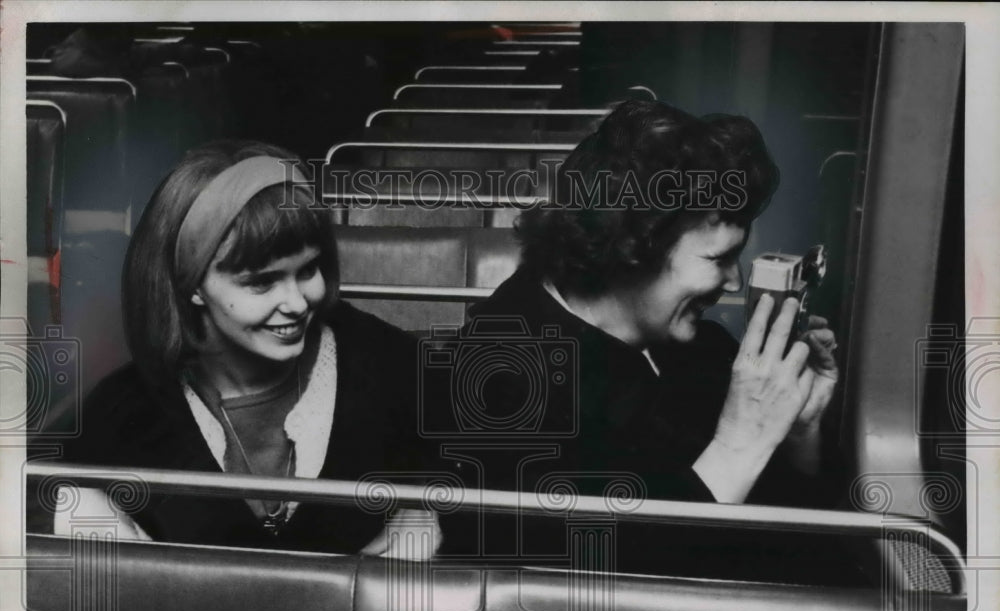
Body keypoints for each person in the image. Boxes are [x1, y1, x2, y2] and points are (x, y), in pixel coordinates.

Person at [433, 100, 843, 568]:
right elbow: (613, 589)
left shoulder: (701, 349)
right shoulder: (499, 385)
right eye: (717, 259)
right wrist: (737, 443)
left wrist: (798, 430)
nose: (735, 282)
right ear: (631, 249)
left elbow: (798, 546)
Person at [53, 140, 431, 555]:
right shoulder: (121, 418)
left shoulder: (398, 370)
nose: (298, 302)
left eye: (308, 269)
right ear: (192, 285)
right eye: (261, 281)